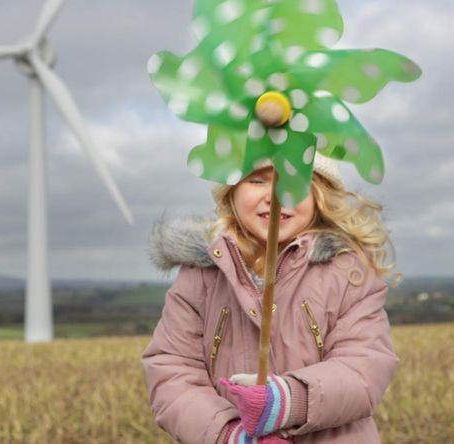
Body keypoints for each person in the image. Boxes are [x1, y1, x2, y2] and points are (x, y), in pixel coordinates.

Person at [141, 155, 399, 443]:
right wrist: (228, 434)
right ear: (232, 192)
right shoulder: (200, 275)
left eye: (294, 181)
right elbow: (172, 370)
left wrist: (287, 400)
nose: (275, 196)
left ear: (320, 193)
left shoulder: (349, 272)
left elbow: (364, 367)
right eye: (256, 180)